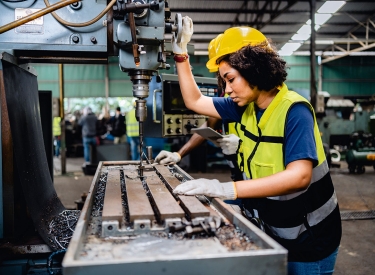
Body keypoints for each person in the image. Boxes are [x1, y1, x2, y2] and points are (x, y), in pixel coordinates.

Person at [170, 18, 342, 274]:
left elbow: (300, 176)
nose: (226, 90)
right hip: (275, 229)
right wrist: (180, 55)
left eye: (230, 79)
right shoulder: (245, 106)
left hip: (310, 239)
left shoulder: (295, 111)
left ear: (253, 70)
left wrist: (225, 189)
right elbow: (194, 100)